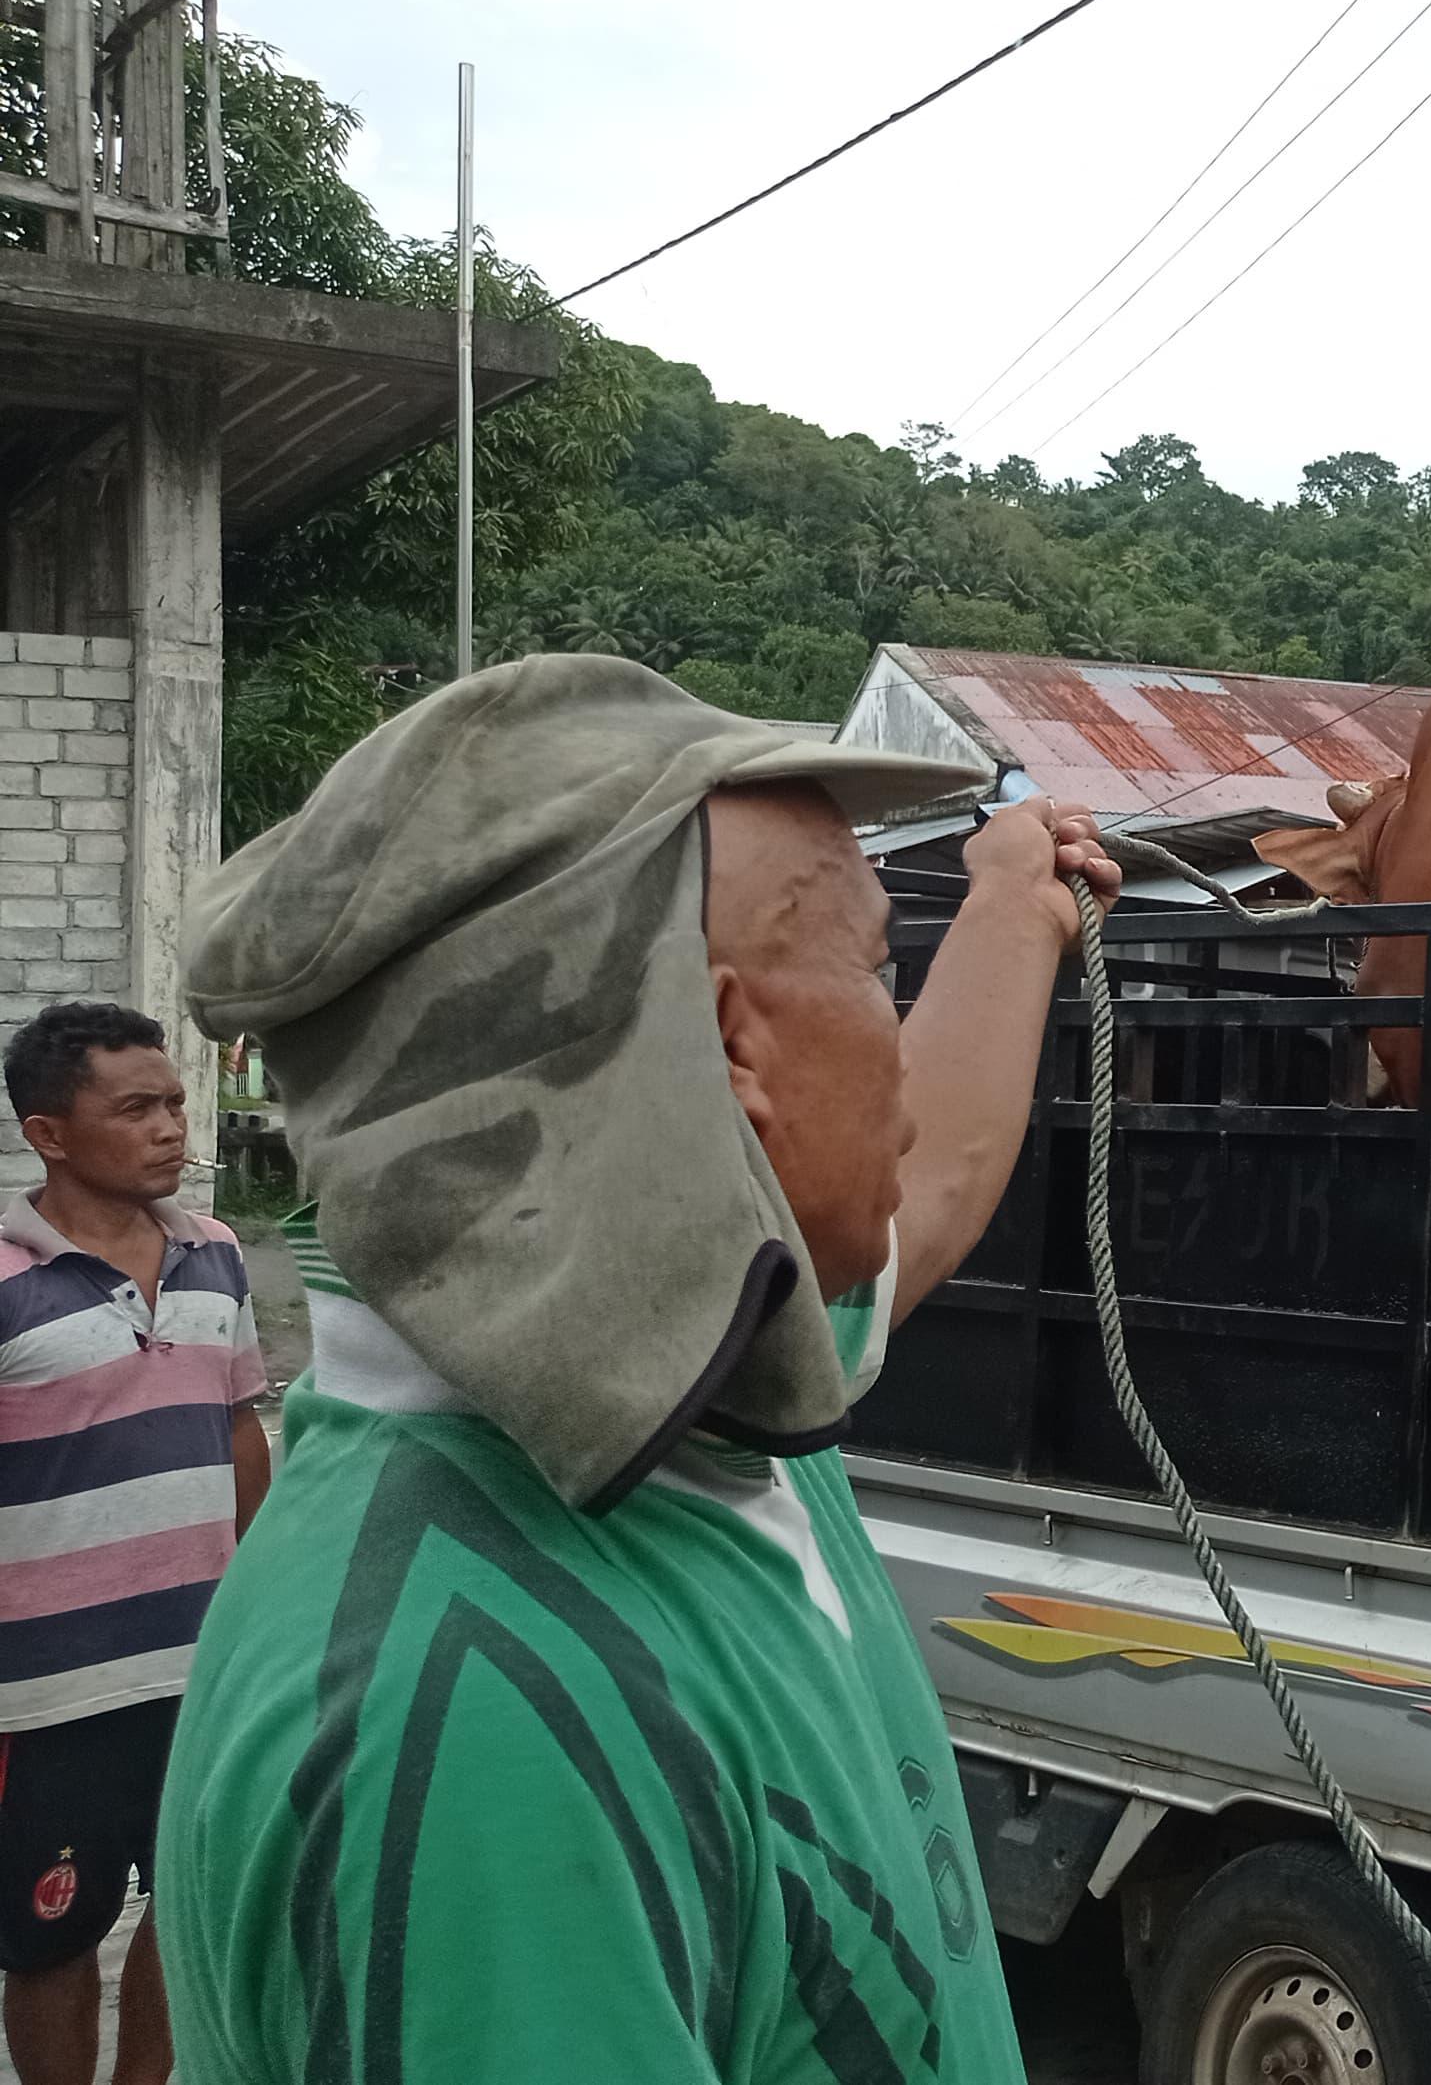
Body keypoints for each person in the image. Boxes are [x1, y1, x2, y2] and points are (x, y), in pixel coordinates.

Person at [152, 657, 1118, 2082]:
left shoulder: (690, 1368)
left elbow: (935, 1176)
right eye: (874, 972)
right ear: (731, 1051)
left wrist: (1016, 900)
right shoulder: (487, 1730)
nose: (900, 1062)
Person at [0, 1004, 265, 2085]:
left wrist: (263, 1601)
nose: (171, 1129)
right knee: (51, 1934)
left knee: (189, 1913)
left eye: (176, 1104)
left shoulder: (218, 1253)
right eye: (137, 1109)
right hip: (50, 1690)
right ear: (49, 1134)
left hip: (206, 1670)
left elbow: (239, 1430)